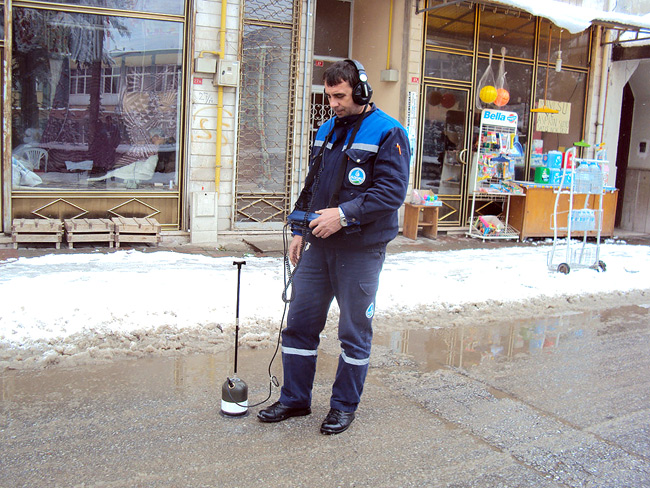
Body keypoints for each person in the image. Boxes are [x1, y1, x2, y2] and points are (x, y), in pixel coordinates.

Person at [257, 59, 410, 434]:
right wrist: (298, 228)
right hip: (319, 246)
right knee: (299, 325)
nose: (334, 103)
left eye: (340, 95)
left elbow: (391, 192)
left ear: (360, 92)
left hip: (361, 249)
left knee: (353, 331)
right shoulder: (326, 130)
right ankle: (294, 400)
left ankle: (344, 406)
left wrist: (342, 215)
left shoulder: (390, 132)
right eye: (329, 95)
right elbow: (312, 186)